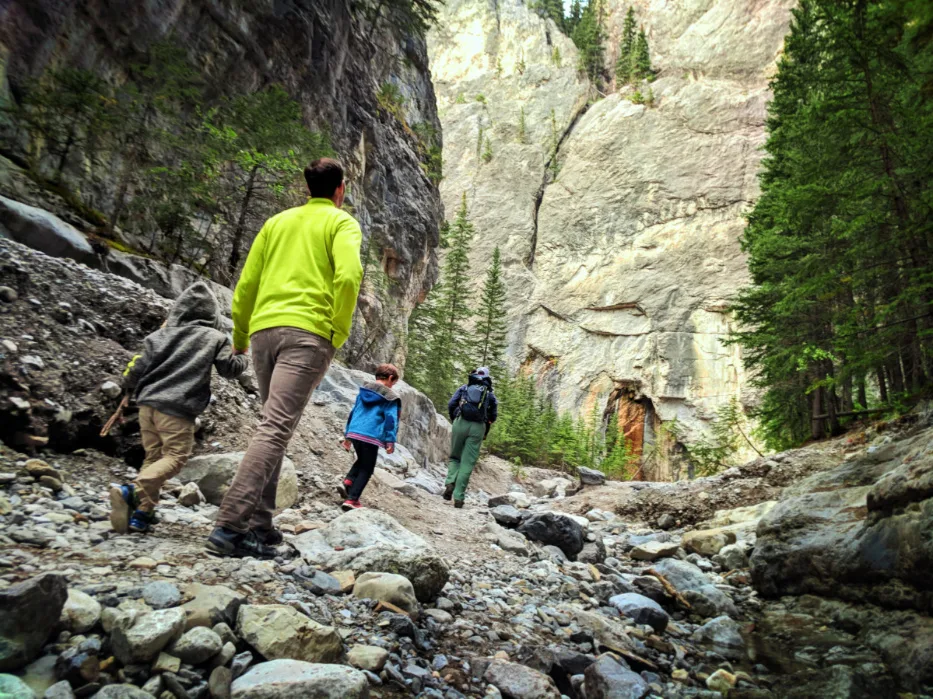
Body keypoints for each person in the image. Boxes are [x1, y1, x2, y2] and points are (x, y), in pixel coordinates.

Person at [206, 158, 364, 558]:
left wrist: (240, 335)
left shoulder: (276, 223)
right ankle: (229, 527)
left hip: (263, 332)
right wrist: (338, 330)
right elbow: (348, 277)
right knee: (275, 428)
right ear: (340, 189)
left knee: (272, 425)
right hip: (308, 334)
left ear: (307, 187)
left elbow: (246, 285)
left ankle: (260, 525)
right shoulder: (341, 224)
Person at [110, 282, 248, 534]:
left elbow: (135, 368)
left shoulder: (158, 336)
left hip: (146, 406)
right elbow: (229, 369)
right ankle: (132, 491)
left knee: (153, 459)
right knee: (176, 457)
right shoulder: (215, 337)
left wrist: (127, 389)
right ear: (212, 315)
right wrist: (242, 356)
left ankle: (142, 515)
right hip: (177, 407)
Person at [337, 363, 402, 510]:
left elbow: (354, 412)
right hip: (371, 435)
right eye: (393, 383)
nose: (392, 386)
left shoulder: (364, 390)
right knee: (368, 468)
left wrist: (347, 434)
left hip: (354, 431)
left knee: (362, 460)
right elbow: (391, 419)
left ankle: (349, 481)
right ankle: (352, 500)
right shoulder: (391, 397)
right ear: (390, 378)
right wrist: (390, 440)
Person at [444, 366, 498, 508]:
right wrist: (486, 425)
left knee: (455, 457)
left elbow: (451, 404)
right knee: (467, 463)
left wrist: (454, 418)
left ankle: (450, 482)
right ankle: (459, 497)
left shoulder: (465, 388)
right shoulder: (490, 394)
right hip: (478, 428)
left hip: (460, 422)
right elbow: (493, 416)